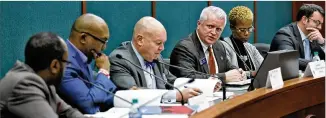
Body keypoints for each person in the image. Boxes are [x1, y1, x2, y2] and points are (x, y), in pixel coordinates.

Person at [109, 16, 202, 103]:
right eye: (158, 43)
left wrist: (200, 86)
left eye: (163, 43)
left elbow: (171, 81)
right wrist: (176, 96)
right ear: (140, 40)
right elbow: (134, 93)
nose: (162, 48)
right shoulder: (119, 59)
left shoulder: (156, 57)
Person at [0, 32, 83, 118]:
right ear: (54, 65)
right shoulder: (25, 84)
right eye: (66, 63)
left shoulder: (46, 84)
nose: (66, 68)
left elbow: (69, 112)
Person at [58, 13, 116, 114]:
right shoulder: (64, 63)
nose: (104, 48)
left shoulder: (83, 56)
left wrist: (126, 96)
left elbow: (103, 94)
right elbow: (88, 105)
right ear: (83, 38)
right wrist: (104, 71)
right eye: (103, 41)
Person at [170, 6, 245, 82]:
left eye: (218, 29)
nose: (213, 32)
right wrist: (223, 77)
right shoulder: (185, 48)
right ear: (199, 24)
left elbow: (229, 67)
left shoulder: (219, 46)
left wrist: (238, 72)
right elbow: (188, 78)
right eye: (210, 26)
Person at [270, 4, 325, 70]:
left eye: (321, 24)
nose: (320, 27)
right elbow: (289, 60)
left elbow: (322, 58)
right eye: (317, 22)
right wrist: (317, 65)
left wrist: (322, 43)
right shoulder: (284, 35)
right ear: (304, 19)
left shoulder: (314, 35)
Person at [221, 6, 263, 78]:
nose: (246, 33)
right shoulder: (223, 46)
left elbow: (264, 67)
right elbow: (230, 74)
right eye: (242, 30)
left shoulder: (250, 47)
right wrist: (251, 74)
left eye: (249, 29)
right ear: (232, 27)